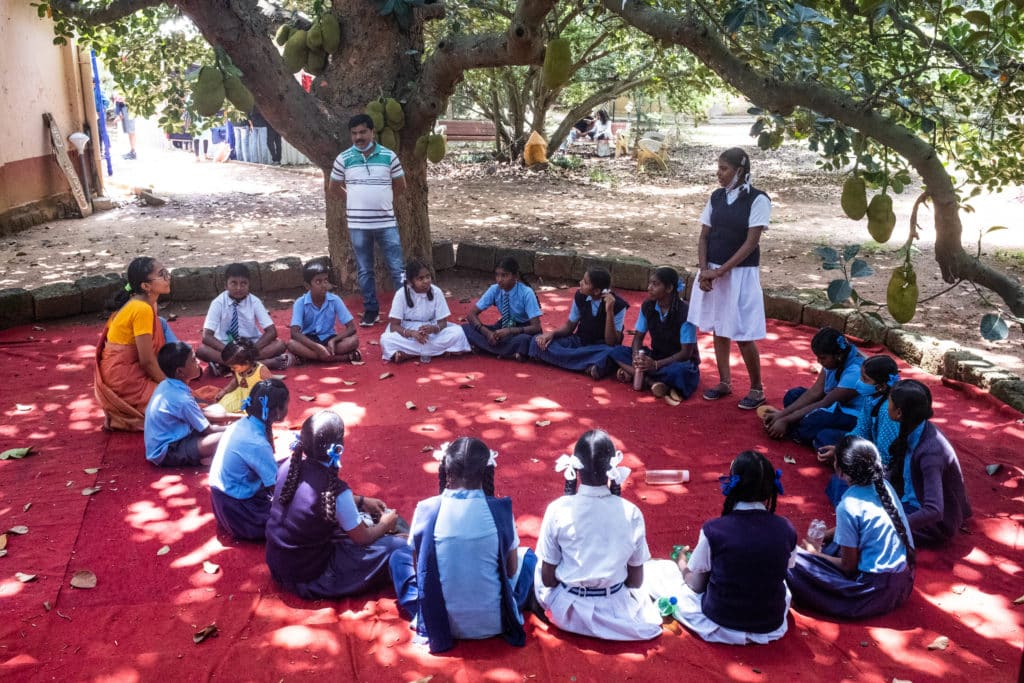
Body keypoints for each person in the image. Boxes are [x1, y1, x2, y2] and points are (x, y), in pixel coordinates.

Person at [389, 438, 537, 654]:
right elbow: (512, 569)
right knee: (529, 559)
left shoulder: (427, 509)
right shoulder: (500, 510)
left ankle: (422, 613)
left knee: (397, 558)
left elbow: (419, 571)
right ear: (487, 471)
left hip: (439, 621)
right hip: (494, 622)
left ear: (446, 468)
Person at [534, 430, 662, 641]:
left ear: (576, 467)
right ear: (612, 468)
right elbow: (636, 581)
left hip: (567, 614)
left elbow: (548, 579)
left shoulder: (557, 509)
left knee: (533, 561)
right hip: (617, 611)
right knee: (661, 571)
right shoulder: (631, 513)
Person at [265, 410, 406, 599]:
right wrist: (385, 525)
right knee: (394, 546)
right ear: (339, 447)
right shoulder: (337, 492)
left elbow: (313, 498)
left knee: (363, 521)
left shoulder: (288, 466)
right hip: (311, 576)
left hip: (278, 565)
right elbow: (362, 538)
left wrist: (362, 501)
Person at [659, 451, 796, 644]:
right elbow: (787, 567)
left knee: (658, 572)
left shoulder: (714, 529)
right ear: (769, 489)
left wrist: (682, 563)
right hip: (770, 622)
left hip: (722, 619)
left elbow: (696, 585)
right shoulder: (786, 528)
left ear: (733, 485)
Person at [787, 436, 916, 619]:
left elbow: (849, 567)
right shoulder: (884, 485)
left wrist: (813, 555)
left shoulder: (848, 505)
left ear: (839, 468)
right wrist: (824, 536)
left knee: (790, 558)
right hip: (904, 583)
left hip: (871, 593)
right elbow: (854, 529)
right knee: (835, 545)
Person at [687, 147, 769, 410]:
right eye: (718, 168)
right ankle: (725, 381)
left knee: (742, 331)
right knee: (718, 326)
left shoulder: (758, 199)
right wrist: (704, 270)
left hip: (740, 273)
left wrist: (720, 271)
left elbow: (750, 242)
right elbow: (704, 235)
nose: (718, 174)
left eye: (724, 169)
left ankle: (757, 387)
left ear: (740, 171)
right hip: (712, 268)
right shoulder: (716, 197)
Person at [328, 114, 406, 327]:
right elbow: (333, 188)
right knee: (364, 270)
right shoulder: (343, 158)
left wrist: (384, 200)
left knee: (398, 268)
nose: (358, 137)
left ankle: (404, 312)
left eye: (362, 132)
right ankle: (371, 310)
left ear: (372, 132)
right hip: (358, 225)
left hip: (386, 222)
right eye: (354, 133)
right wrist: (353, 199)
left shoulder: (389, 156)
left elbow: (400, 185)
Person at [883, 379, 971, 546]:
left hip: (933, 524)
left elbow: (934, 510)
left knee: (867, 526)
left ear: (899, 412)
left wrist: (891, 526)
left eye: (889, 401)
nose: (886, 405)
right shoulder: (913, 427)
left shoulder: (930, 452)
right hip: (907, 499)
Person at [94, 257, 170, 431]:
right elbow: (147, 361)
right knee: (177, 406)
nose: (167, 277)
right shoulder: (141, 309)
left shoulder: (148, 303)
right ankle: (123, 411)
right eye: (161, 274)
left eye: (166, 272)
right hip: (124, 379)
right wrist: (170, 385)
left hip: (126, 371)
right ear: (145, 286)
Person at [208, 379, 290, 541]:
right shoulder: (257, 443)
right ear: (277, 412)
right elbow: (277, 490)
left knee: (287, 466)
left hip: (223, 503)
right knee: (297, 518)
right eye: (286, 404)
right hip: (239, 512)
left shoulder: (242, 424)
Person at [819, 354, 901, 506]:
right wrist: (840, 450)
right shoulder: (870, 397)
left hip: (886, 468)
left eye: (865, 380)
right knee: (823, 438)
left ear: (881, 386)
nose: (859, 383)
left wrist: (849, 460)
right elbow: (860, 428)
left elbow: (885, 456)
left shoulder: (887, 410)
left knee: (839, 483)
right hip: (868, 449)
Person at [763, 327, 865, 449]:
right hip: (830, 405)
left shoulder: (855, 371)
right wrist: (782, 414)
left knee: (812, 422)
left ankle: (799, 429)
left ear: (837, 355)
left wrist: (786, 420)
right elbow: (815, 393)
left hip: (852, 414)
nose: (819, 361)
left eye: (822, 358)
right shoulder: (837, 358)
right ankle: (799, 426)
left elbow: (824, 403)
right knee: (793, 395)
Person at [609, 267, 700, 400]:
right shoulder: (648, 306)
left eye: (655, 284)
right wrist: (636, 358)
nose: (649, 287)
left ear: (669, 288)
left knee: (680, 372)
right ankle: (652, 382)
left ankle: (637, 375)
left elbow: (685, 354)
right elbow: (638, 338)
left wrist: (656, 365)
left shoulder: (685, 313)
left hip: (678, 361)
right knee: (615, 351)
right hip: (656, 356)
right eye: (650, 283)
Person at [529, 267, 627, 380]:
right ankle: (585, 365)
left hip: (600, 347)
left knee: (612, 353)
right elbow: (570, 326)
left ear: (596, 291)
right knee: (536, 341)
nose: (580, 283)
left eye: (585, 282)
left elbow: (611, 342)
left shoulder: (618, 305)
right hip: (579, 342)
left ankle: (565, 360)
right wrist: (552, 334)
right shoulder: (580, 296)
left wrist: (609, 310)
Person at [196, 263, 289, 374]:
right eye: (234, 283)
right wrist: (231, 351)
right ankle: (265, 363)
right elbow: (207, 336)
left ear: (249, 285)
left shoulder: (254, 302)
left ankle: (227, 367)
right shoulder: (218, 303)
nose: (238, 288)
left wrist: (251, 350)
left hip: (252, 345)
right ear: (225, 285)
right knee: (202, 351)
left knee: (280, 345)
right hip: (226, 347)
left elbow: (272, 332)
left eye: (243, 283)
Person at [144, 342, 225, 467]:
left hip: (179, 435)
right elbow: (209, 429)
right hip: (167, 451)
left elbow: (200, 414)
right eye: (193, 360)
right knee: (225, 437)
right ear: (180, 372)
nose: (198, 362)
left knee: (218, 409)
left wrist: (235, 418)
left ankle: (204, 454)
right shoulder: (182, 400)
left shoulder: (166, 384)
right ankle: (201, 456)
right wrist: (237, 427)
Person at [380, 258, 470, 363]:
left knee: (458, 333)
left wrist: (433, 329)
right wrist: (412, 333)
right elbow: (394, 326)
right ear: (410, 282)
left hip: (432, 331)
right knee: (386, 339)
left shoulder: (436, 292)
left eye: (428, 277)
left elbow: (443, 323)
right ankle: (437, 352)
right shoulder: (401, 294)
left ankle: (408, 354)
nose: (426, 281)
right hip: (407, 332)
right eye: (420, 278)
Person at [462, 257, 542, 361]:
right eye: (497, 275)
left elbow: (536, 327)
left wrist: (510, 331)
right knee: (466, 328)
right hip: (504, 325)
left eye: (504, 275)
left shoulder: (526, 293)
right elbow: (471, 315)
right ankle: (510, 353)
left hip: (523, 329)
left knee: (525, 341)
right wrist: (487, 333)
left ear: (515, 276)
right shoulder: (494, 289)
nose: (499, 279)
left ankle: (490, 349)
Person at [286, 259, 362, 364]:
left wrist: (334, 340)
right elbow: (294, 333)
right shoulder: (300, 303)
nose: (323, 285)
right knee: (291, 344)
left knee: (353, 341)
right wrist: (317, 347)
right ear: (307, 286)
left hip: (329, 339)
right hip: (310, 341)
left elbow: (352, 328)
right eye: (318, 281)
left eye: (326, 280)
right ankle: (342, 358)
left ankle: (311, 358)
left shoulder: (335, 300)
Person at [211, 339, 273, 414]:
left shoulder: (261, 370)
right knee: (221, 407)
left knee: (250, 413)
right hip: (241, 394)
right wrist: (225, 391)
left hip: (257, 398)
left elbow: (273, 386)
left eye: (234, 367)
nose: (231, 369)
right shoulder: (240, 369)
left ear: (246, 362)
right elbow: (236, 381)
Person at [114, 95, 137, 160]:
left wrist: (123, 99)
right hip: (124, 109)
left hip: (127, 109)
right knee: (130, 132)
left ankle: (133, 152)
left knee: (131, 132)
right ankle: (132, 151)